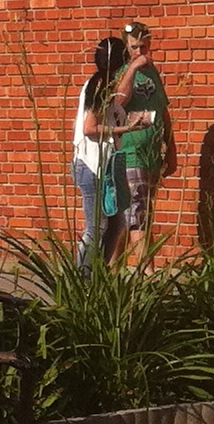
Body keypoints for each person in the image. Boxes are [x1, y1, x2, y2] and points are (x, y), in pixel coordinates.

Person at [103, 18, 172, 262]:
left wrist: (170, 148)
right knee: (138, 215)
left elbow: (163, 111)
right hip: (130, 152)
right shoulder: (122, 72)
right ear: (126, 47)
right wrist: (132, 68)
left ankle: (111, 270)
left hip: (151, 154)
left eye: (143, 46)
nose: (139, 52)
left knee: (132, 216)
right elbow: (117, 103)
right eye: (134, 47)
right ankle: (147, 272)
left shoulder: (152, 72)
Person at [72, 35, 126, 264]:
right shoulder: (100, 85)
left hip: (104, 164)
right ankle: (81, 276)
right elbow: (89, 128)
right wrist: (124, 129)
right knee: (96, 228)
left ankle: (98, 272)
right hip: (91, 164)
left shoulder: (104, 84)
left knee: (116, 222)